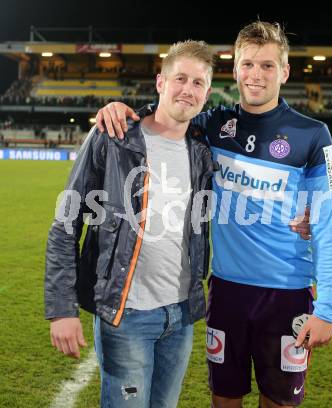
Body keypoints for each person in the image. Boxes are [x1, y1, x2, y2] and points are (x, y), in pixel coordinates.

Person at [96, 21, 332, 408]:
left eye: (267, 66)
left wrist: (327, 308)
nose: (256, 75)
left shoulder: (312, 135)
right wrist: (121, 109)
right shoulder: (213, 125)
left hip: (288, 296)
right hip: (226, 291)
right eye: (247, 64)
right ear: (235, 69)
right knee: (223, 399)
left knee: (279, 402)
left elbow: (328, 226)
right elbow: (167, 113)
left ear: (285, 72)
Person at [45, 40, 216, 408]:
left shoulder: (203, 150)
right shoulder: (115, 135)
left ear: (208, 93)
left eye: (198, 83)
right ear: (160, 83)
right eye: (180, 78)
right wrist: (62, 307)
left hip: (181, 315)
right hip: (128, 315)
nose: (188, 89)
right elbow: (66, 222)